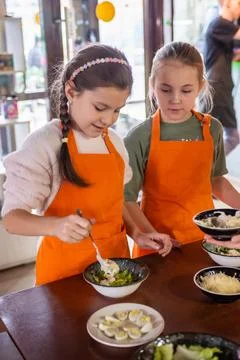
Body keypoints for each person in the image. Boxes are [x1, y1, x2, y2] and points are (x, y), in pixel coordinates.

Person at [1, 44, 172, 286]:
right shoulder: (44, 144)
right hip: (64, 278)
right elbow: (12, 219)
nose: (109, 120)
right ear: (71, 92)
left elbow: (117, 203)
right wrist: (56, 226)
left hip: (116, 271)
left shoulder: (114, 142)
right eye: (100, 108)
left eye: (117, 111)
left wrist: (138, 234)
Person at [123, 41, 240, 258]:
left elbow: (216, 181)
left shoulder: (211, 128)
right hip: (156, 248)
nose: (175, 99)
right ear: (152, 85)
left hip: (206, 241)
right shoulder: (139, 137)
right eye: (165, 89)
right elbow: (126, 199)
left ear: (200, 87)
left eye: (186, 90)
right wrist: (150, 235)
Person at [199, 0, 240, 155]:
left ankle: (205, 169)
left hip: (220, 88)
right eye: (239, 4)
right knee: (230, 136)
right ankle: (206, 169)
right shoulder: (219, 24)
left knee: (206, 134)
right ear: (227, 3)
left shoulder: (225, 29)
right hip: (217, 88)